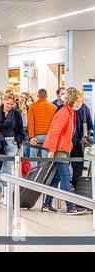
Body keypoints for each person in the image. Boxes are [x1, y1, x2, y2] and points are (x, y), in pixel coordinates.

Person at [42, 87, 88, 215]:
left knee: (57, 178)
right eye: (78, 99)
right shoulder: (64, 113)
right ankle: (70, 206)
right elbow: (55, 132)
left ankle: (47, 203)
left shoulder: (70, 112)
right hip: (59, 149)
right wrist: (52, 150)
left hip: (63, 148)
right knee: (66, 176)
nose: (80, 102)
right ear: (74, 100)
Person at [0, 93, 25, 203]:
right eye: (8, 103)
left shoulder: (16, 115)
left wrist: (17, 140)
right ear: (3, 101)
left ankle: (5, 193)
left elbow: (21, 131)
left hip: (11, 144)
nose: (9, 106)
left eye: (12, 104)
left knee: (7, 170)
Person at [28, 89, 57, 168]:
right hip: (48, 137)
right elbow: (55, 124)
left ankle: (33, 175)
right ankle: (43, 176)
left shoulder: (32, 106)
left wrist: (32, 137)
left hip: (36, 137)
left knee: (33, 158)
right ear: (47, 96)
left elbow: (30, 122)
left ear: (38, 96)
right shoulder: (54, 107)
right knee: (45, 160)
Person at [70, 94, 93, 189]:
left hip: (78, 143)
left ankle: (74, 187)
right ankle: (72, 187)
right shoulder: (68, 109)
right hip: (71, 143)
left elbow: (91, 126)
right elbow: (91, 126)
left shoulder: (83, 109)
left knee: (77, 168)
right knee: (69, 168)